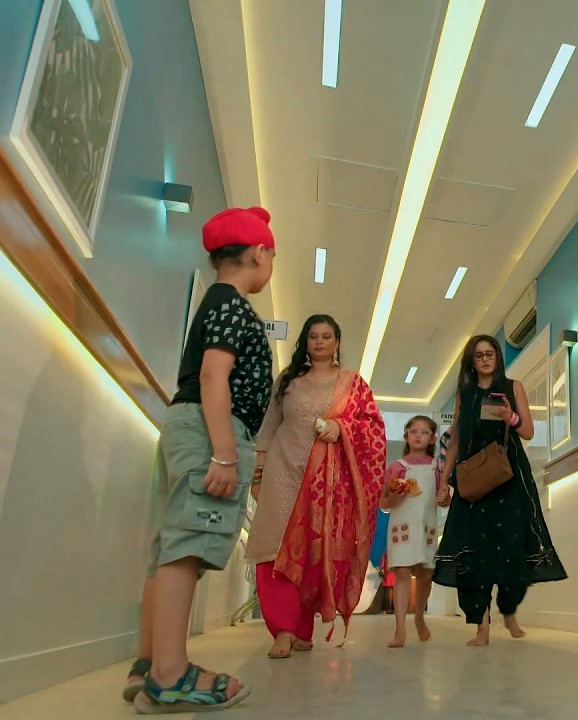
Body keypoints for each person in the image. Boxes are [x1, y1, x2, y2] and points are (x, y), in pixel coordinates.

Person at [126, 207, 275, 713]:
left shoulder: (216, 300)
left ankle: (149, 664)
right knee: (187, 547)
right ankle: (169, 676)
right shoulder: (231, 304)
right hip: (208, 430)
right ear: (259, 253)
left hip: (188, 426)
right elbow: (215, 376)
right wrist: (225, 455)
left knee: (172, 546)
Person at [246, 314, 387, 658]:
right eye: (313, 336)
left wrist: (342, 427)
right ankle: (283, 630)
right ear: (305, 342)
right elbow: (269, 425)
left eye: (326, 336)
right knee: (273, 549)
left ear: (336, 342)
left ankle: (302, 629)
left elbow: (372, 426)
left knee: (311, 551)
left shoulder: (352, 383)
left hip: (326, 482)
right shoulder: (289, 380)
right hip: (282, 471)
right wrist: (259, 470)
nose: (320, 341)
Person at [434, 335, 567, 646]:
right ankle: (481, 626)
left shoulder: (512, 387)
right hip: (473, 477)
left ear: (497, 357)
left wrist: (511, 417)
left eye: (490, 353)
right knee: (473, 551)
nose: (485, 359)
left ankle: (509, 610)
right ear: (471, 361)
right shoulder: (465, 395)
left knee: (512, 546)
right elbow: (455, 439)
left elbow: (528, 431)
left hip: (508, 475)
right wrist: (443, 481)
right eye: (479, 355)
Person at [380, 415, 451, 647]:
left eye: (424, 432)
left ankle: (419, 616)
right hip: (401, 528)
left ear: (432, 439)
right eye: (413, 431)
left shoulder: (436, 468)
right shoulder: (397, 468)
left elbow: (444, 500)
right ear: (406, 436)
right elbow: (384, 503)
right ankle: (400, 629)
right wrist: (394, 497)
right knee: (401, 573)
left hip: (425, 526)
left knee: (425, 574)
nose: (418, 435)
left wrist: (444, 497)